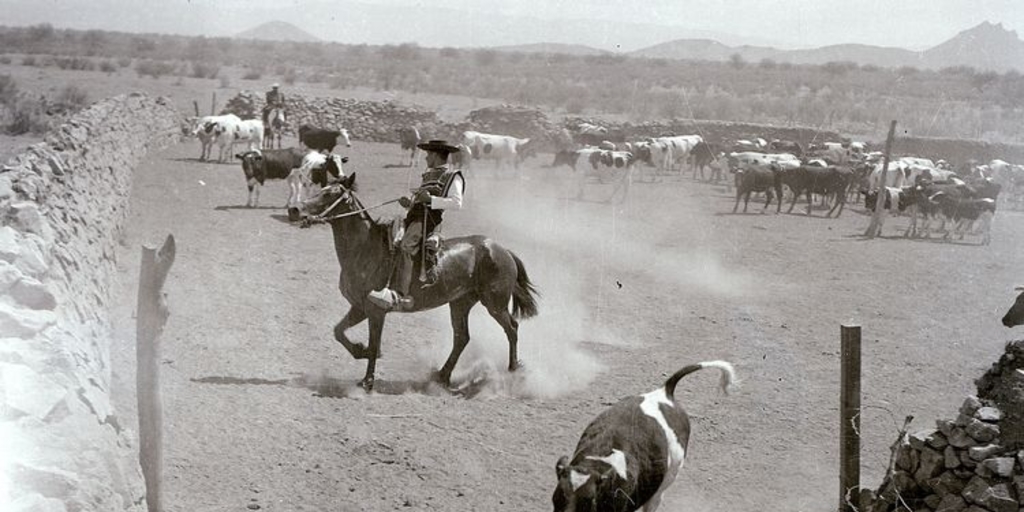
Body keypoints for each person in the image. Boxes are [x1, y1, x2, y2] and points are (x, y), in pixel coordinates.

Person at [367, 140, 465, 312]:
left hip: (429, 221)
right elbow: (420, 202)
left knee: (406, 247)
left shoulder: (453, 176)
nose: (426, 158)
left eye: (428, 155)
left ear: (435, 155)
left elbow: (457, 203)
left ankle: (398, 294)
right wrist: (409, 203)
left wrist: (430, 200)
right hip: (414, 217)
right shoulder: (428, 175)